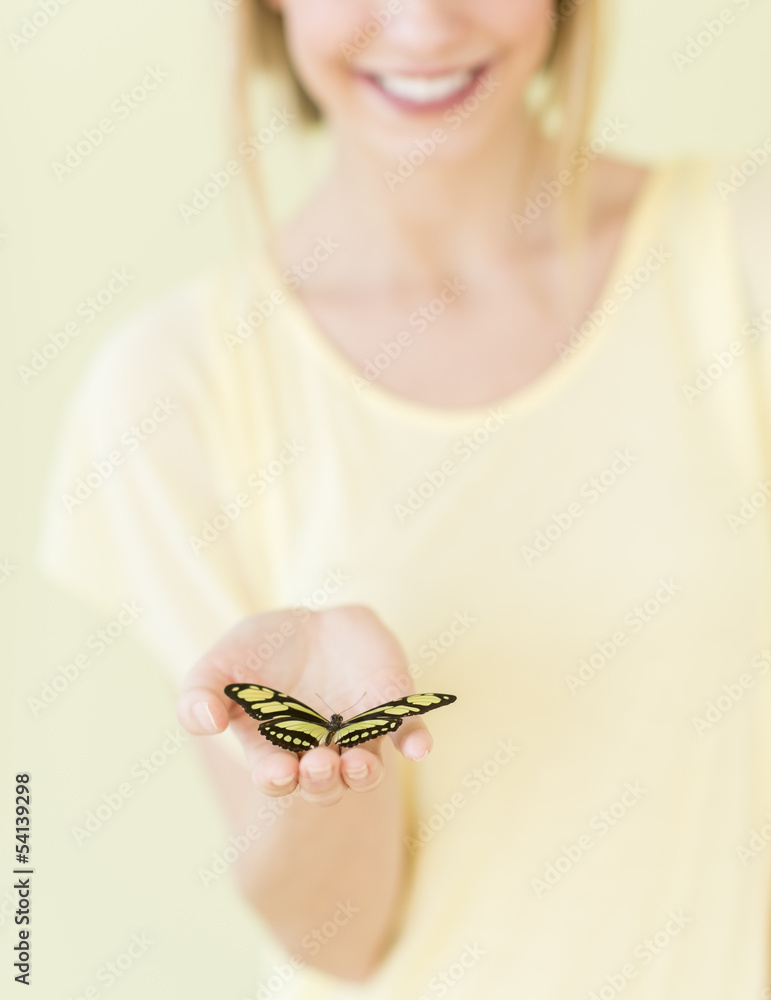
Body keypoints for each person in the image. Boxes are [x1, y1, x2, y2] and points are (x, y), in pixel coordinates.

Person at [39, 0, 771, 996]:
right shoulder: (176, 389)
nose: (424, 24)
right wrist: (328, 762)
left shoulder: (742, 253)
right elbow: (339, 938)